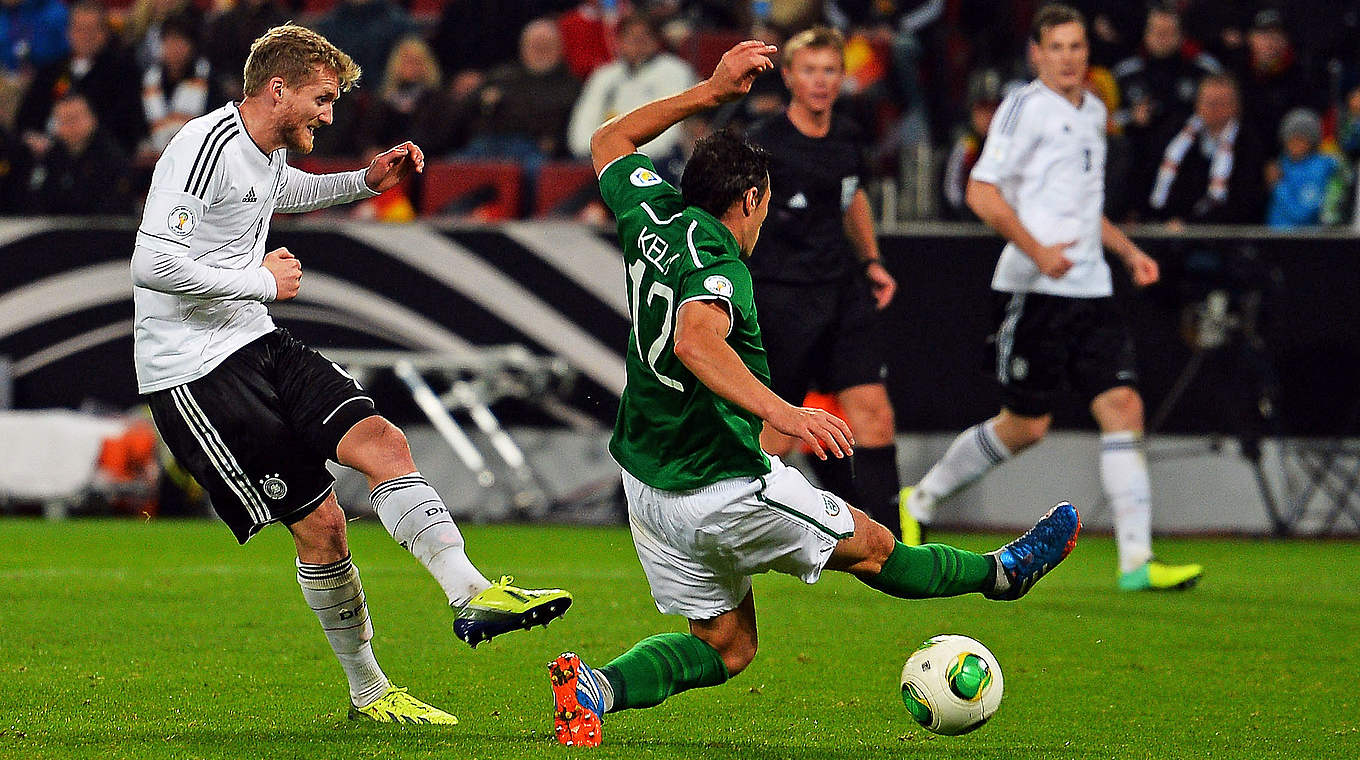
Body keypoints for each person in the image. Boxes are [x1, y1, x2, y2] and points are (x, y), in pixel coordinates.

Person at [545, 39, 1082, 748]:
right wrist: (783, 410)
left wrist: (709, 92)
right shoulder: (720, 262)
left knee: (728, 646)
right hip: (720, 485)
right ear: (750, 199)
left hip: (646, 483)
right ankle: (1002, 576)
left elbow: (610, 138)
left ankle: (597, 689)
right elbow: (695, 341)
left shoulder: (653, 215)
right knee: (875, 548)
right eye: (763, 204)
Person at [130, 24, 572, 724]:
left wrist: (362, 181)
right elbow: (150, 266)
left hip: (255, 340)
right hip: (194, 372)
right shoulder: (201, 146)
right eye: (322, 99)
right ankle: (368, 690)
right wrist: (259, 280)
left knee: (382, 442)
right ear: (277, 88)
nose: (330, 115)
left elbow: (288, 193)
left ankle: (470, 593)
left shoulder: (267, 149)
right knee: (324, 528)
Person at [900, 5, 1202, 593]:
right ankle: (923, 497)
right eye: (1057, 47)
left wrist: (1126, 250)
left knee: (1124, 409)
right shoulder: (1023, 108)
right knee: (1027, 425)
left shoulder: (1093, 109)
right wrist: (1038, 252)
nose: (1069, 58)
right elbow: (981, 191)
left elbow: (1084, 208)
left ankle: (1136, 562)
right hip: (1034, 289)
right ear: (1037, 54)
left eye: (1077, 46)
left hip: (1091, 287)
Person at [742, 26, 905, 540]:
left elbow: (851, 199)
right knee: (776, 433)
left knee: (874, 416)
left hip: (842, 292)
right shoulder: (764, 144)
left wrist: (872, 259)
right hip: (781, 298)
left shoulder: (851, 135)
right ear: (788, 77)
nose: (820, 81)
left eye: (829, 70)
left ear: (842, 76)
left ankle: (891, 543)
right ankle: (739, 528)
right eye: (809, 70)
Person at [1141, 73, 1265, 226]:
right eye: (1208, 102)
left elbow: (1244, 198)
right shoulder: (1176, 134)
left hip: (1221, 232)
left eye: (1220, 103)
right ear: (1197, 104)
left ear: (1235, 106)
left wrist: (1190, 223)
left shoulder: (1248, 143)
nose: (1213, 109)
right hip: (1168, 224)